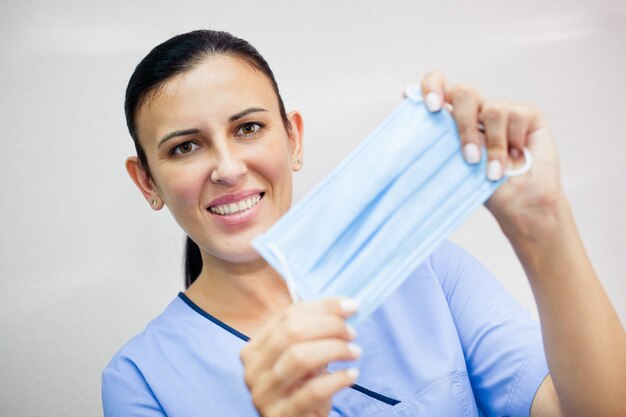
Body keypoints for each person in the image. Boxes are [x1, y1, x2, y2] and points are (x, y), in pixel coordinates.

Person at [102, 30, 626, 417]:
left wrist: (544, 226)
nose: (228, 168)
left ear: (294, 139)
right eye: (185, 147)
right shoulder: (140, 382)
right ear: (147, 181)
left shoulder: (425, 269)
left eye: (249, 128)